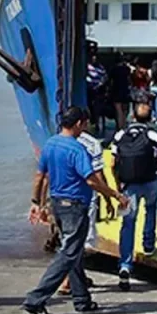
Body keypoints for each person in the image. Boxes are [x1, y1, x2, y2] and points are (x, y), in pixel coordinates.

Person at [24, 107, 129, 314]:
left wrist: (36, 202)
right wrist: (115, 195)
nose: (87, 127)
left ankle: (82, 300)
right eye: (86, 123)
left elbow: (40, 176)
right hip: (75, 206)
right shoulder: (77, 149)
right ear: (79, 123)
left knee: (75, 252)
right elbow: (91, 180)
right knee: (68, 254)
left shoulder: (50, 144)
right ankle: (36, 299)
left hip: (57, 205)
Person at [108, 102, 157, 290]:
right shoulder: (154, 135)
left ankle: (125, 265)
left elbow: (112, 163)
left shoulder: (120, 135)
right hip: (151, 182)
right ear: (150, 117)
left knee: (128, 223)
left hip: (128, 186)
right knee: (151, 210)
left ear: (132, 117)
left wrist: (117, 183)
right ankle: (148, 245)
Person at [56, 124, 108, 296]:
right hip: (84, 198)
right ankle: (66, 281)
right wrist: (109, 196)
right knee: (81, 241)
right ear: (83, 123)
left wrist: (40, 202)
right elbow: (97, 174)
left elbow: (46, 173)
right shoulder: (92, 143)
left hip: (60, 197)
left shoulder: (57, 141)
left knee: (69, 239)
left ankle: (78, 278)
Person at [86, 48, 109, 134]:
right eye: (92, 56)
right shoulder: (87, 67)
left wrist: (101, 84)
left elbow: (105, 77)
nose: (94, 58)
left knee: (97, 108)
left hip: (98, 91)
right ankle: (91, 122)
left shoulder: (101, 67)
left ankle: (96, 123)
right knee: (90, 107)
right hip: (89, 90)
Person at [109, 53, 133, 131]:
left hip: (116, 91)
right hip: (125, 91)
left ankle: (120, 127)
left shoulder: (113, 69)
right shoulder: (126, 69)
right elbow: (129, 81)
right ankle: (124, 124)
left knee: (119, 111)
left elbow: (111, 82)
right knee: (125, 110)